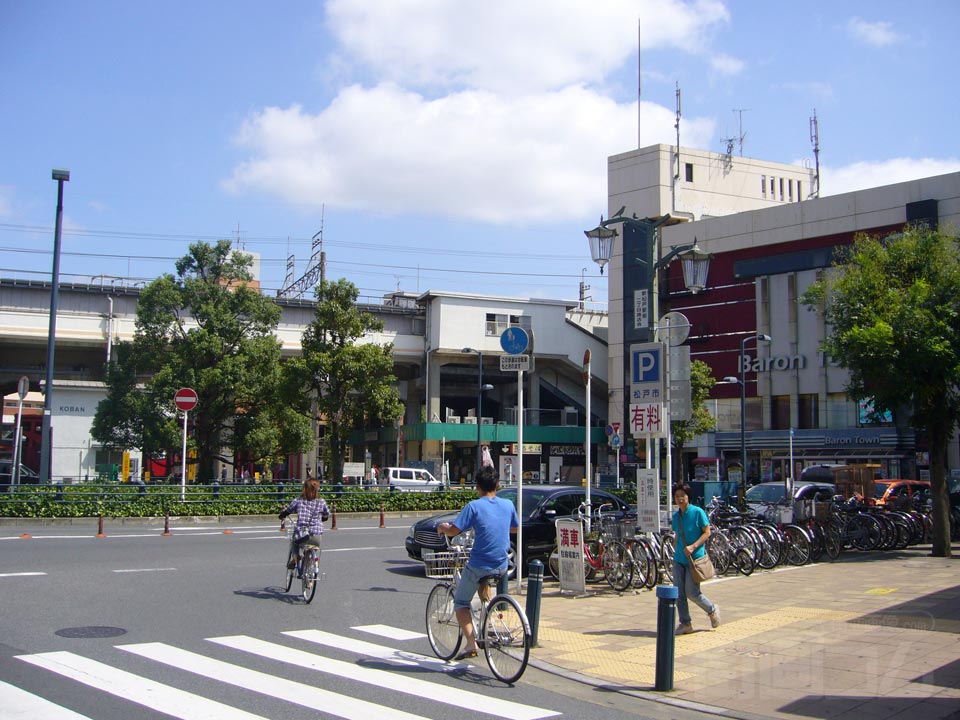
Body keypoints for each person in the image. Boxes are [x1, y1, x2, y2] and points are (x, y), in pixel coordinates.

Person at [437, 464, 519, 661]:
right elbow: (515, 529)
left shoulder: (474, 506)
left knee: (460, 602)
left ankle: (471, 643)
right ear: (498, 485)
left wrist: (442, 527)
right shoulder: (508, 505)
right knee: (485, 584)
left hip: (479, 564)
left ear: (478, 487)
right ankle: (486, 618)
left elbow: (454, 531)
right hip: (502, 565)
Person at [672, 483, 721, 634]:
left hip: (695, 559)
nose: (680, 498)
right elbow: (677, 535)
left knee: (692, 592)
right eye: (677, 496)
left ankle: (712, 609)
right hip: (679, 558)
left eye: (682, 495)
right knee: (679, 594)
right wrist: (675, 547)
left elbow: (707, 532)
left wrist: (693, 547)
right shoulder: (676, 516)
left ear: (688, 497)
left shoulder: (698, 512)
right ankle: (685, 623)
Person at [278, 478, 329, 574]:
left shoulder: (298, 500)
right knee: (312, 548)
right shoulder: (321, 501)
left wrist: (282, 515)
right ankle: (309, 580)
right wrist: (321, 518)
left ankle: (295, 557)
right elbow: (326, 515)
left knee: (294, 543)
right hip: (316, 536)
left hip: (302, 535)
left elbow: (288, 511)